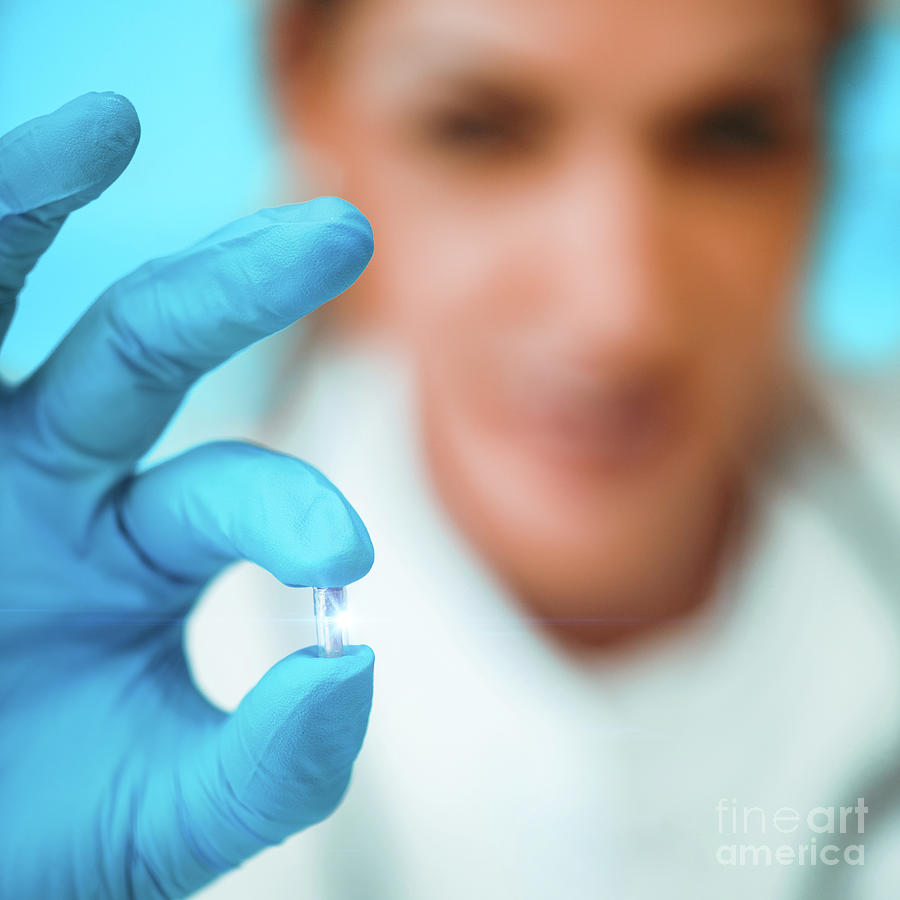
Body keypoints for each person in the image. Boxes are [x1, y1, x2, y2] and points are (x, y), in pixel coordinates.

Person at [2, 0, 898, 898]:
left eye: (732, 134)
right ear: (305, 93)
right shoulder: (98, 653)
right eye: (479, 130)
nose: (618, 315)